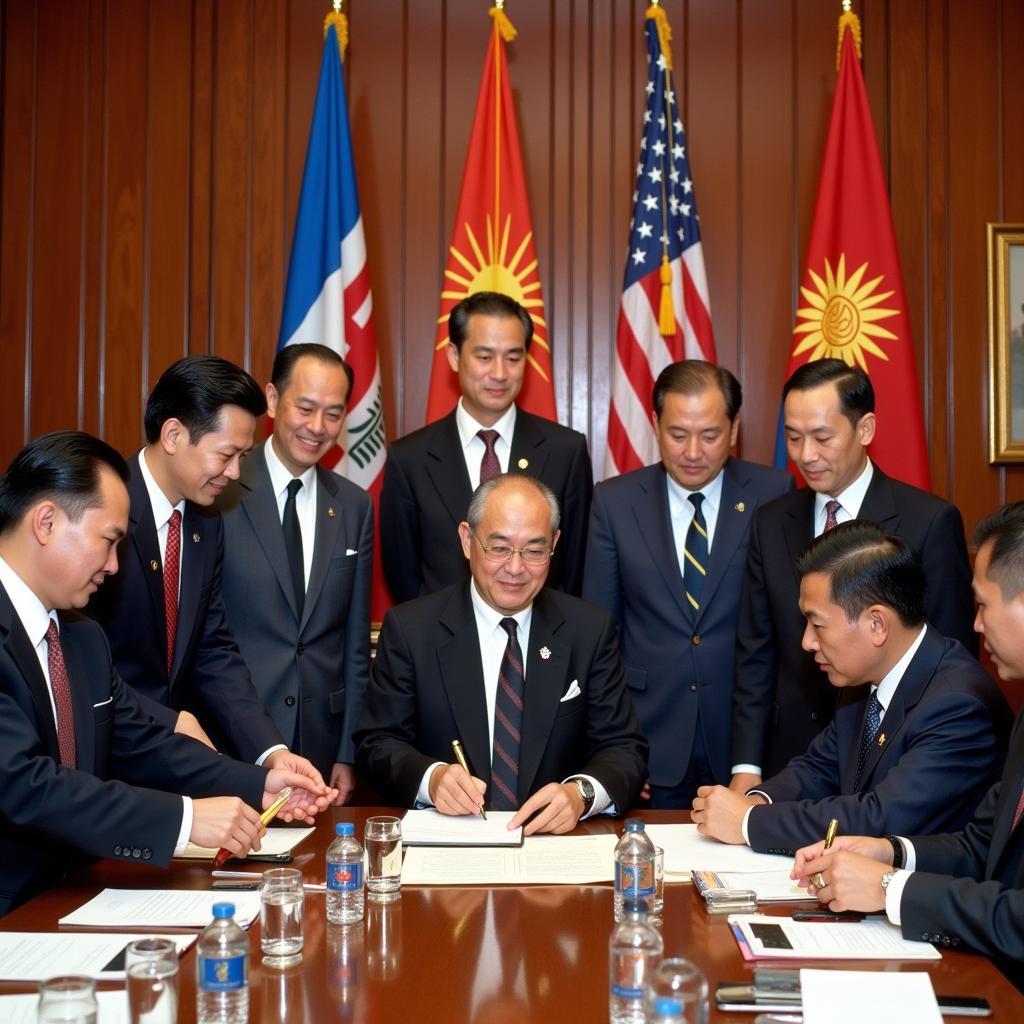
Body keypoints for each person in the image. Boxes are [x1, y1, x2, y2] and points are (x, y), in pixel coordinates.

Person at [0, 432, 335, 916]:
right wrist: (186, 818)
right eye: (109, 541)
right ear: (47, 521)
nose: (115, 566)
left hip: (79, 896)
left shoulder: (83, 640)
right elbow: (26, 784)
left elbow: (143, 743)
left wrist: (260, 783)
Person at [792, 502, 1024, 993]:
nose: (975, 626)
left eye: (982, 605)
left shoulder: (961, 698)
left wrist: (888, 888)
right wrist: (889, 851)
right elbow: (982, 847)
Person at [355, 474, 647, 834]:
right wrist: (431, 780)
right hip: (450, 842)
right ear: (467, 539)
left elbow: (624, 749)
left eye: (534, 550)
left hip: (556, 848)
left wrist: (580, 795)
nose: (515, 568)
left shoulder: (588, 630)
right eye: (499, 547)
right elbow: (377, 745)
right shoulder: (412, 629)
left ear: (555, 544)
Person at [692, 521, 1009, 852]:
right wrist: (756, 800)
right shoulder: (864, 678)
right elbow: (818, 768)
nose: (807, 642)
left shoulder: (957, 706)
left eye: (817, 624)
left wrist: (748, 822)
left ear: (876, 624)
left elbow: (879, 818)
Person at [732, 358, 975, 789]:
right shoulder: (770, 521)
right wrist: (747, 770)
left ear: (864, 429)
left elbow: (951, 656)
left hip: (893, 760)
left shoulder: (928, 521)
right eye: (793, 437)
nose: (806, 455)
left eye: (822, 437)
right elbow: (756, 655)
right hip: (790, 763)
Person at [86, 356, 321, 783]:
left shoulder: (206, 523)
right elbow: (79, 658)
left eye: (243, 456)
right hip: (105, 761)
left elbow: (212, 649)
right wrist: (168, 720)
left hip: (176, 763)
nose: (235, 473)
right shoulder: (101, 510)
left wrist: (270, 751)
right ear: (173, 434)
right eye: (226, 455)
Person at [583, 360, 792, 807]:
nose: (693, 451)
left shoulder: (774, 493)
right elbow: (599, 638)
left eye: (710, 435)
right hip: (647, 741)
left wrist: (751, 760)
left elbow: (782, 631)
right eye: (678, 434)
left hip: (745, 745)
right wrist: (615, 753)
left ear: (735, 428)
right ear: (655, 425)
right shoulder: (614, 502)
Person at [218, 344, 373, 802]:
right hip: (232, 738)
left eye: (333, 413)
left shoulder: (353, 505)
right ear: (271, 400)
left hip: (319, 747)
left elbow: (355, 642)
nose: (317, 427)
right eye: (304, 408)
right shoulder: (221, 488)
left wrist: (347, 751)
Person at [380, 291, 593, 602]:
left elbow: (574, 571)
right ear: (454, 356)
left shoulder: (565, 452)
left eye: (513, 358)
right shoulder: (409, 459)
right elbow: (403, 577)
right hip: (439, 644)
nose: (499, 373)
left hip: (537, 643)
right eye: (484, 357)